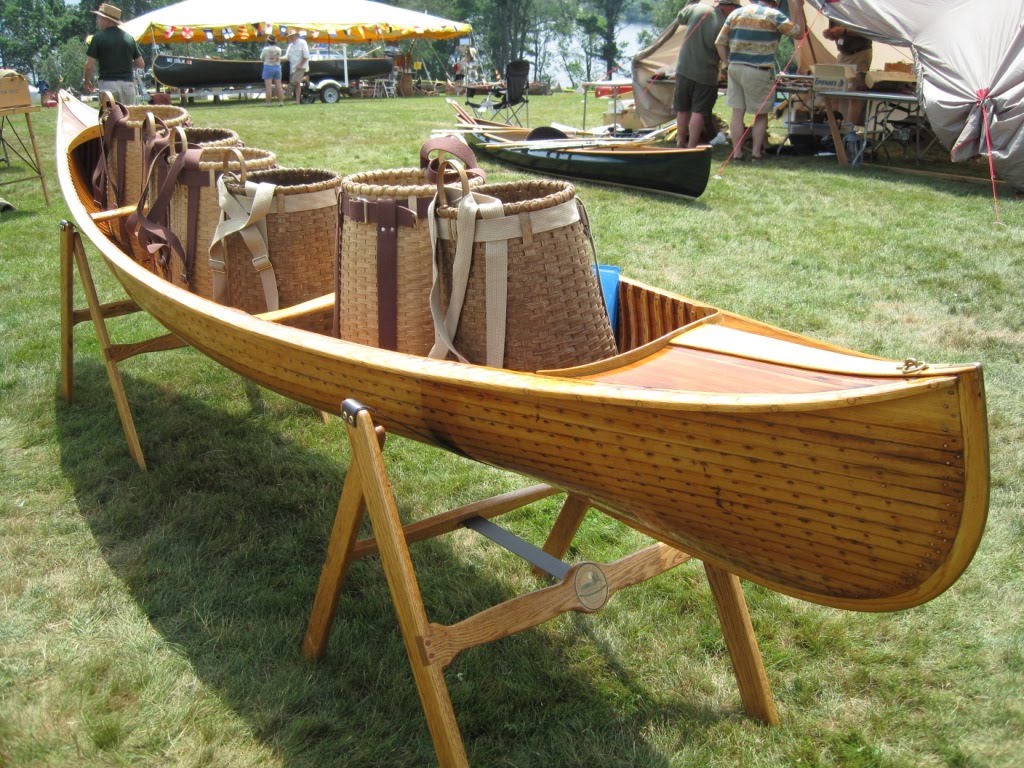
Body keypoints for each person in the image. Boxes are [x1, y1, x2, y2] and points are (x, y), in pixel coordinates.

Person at [715, 0, 803, 160]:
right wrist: (798, 8)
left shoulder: (736, 13)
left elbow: (719, 42)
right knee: (760, 114)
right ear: (773, 3)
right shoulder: (773, 15)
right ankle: (756, 153)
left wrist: (728, 64)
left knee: (737, 112)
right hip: (758, 70)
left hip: (735, 68)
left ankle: (737, 153)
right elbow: (798, 33)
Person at [673, 0, 740, 148]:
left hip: (684, 69)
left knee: (683, 109)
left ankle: (680, 142)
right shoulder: (726, 24)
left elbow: (680, 18)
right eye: (736, 7)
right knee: (699, 111)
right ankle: (691, 146)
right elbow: (725, 50)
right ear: (729, 6)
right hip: (707, 74)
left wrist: (690, 3)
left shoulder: (696, 9)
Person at [83, 3, 144, 105]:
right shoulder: (129, 39)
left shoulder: (98, 38)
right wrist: (125, 65)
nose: (97, 20)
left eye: (99, 18)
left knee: (109, 115)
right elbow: (141, 64)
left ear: (108, 20)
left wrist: (87, 81)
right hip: (128, 86)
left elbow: (89, 66)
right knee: (128, 114)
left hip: (108, 85)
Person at [822, 20, 873, 128]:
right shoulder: (835, 11)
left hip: (859, 53)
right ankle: (832, 128)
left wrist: (845, 31)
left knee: (854, 94)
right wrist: (831, 34)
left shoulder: (861, 10)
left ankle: (849, 130)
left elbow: (868, 29)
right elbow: (836, 33)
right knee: (833, 91)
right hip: (843, 54)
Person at [285, 30, 310, 105]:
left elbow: (306, 56)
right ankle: (297, 101)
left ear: (296, 35)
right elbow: (287, 57)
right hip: (293, 68)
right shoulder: (290, 45)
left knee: (293, 82)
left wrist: (301, 64)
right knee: (297, 85)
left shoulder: (302, 42)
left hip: (301, 67)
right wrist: (278, 58)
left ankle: (287, 96)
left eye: (292, 36)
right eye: (289, 36)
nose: (291, 37)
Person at [261, 35, 285, 107]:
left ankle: (268, 103)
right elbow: (279, 57)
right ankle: (280, 102)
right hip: (277, 67)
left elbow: (262, 58)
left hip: (268, 67)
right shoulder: (279, 49)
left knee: (268, 87)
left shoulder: (265, 49)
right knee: (279, 86)